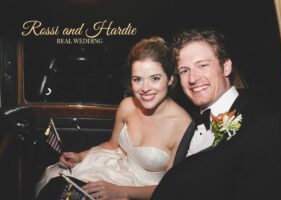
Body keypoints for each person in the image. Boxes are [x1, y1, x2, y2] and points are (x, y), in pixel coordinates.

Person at [35, 36, 193, 200]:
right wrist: (80, 156)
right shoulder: (127, 105)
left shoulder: (183, 125)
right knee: (54, 177)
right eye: (137, 79)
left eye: (155, 78)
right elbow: (112, 144)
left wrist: (119, 191)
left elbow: (171, 189)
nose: (145, 88)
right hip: (113, 166)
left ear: (170, 79)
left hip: (143, 191)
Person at [151, 28, 281, 200]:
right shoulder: (190, 124)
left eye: (202, 65)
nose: (192, 78)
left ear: (226, 66)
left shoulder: (263, 122)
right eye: (184, 70)